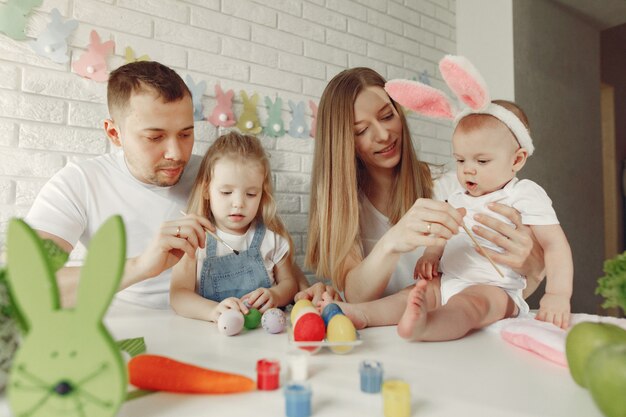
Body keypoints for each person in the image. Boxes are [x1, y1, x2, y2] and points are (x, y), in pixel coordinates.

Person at [300, 66, 546, 328]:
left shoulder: (456, 188)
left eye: (387, 116)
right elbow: (356, 295)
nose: (383, 135)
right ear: (342, 141)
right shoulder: (346, 210)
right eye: (361, 130)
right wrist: (394, 240)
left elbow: (507, 286)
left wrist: (532, 264)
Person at [25, 61, 214, 309]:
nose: (176, 153)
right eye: (154, 137)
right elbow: (26, 285)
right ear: (114, 134)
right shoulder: (79, 183)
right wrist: (140, 266)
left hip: (216, 322)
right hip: (134, 330)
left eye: (185, 134)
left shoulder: (215, 175)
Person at [397, 98, 572, 341]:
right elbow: (443, 232)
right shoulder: (457, 197)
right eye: (460, 160)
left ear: (517, 160)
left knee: (469, 306)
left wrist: (557, 294)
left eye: (481, 161)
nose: (468, 169)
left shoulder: (522, 194)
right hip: (450, 279)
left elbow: (555, 245)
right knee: (407, 296)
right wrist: (431, 254)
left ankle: (425, 327)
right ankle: (358, 313)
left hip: (496, 290)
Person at [170, 132, 299, 322]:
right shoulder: (195, 238)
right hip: (212, 340)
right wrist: (213, 311)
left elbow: (290, 284)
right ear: (207, 190)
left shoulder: (271, 240)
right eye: (226, 192)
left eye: (251, 194)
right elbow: (178, 296)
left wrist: (276, 295)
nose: (238, 203)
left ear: (262, 194)